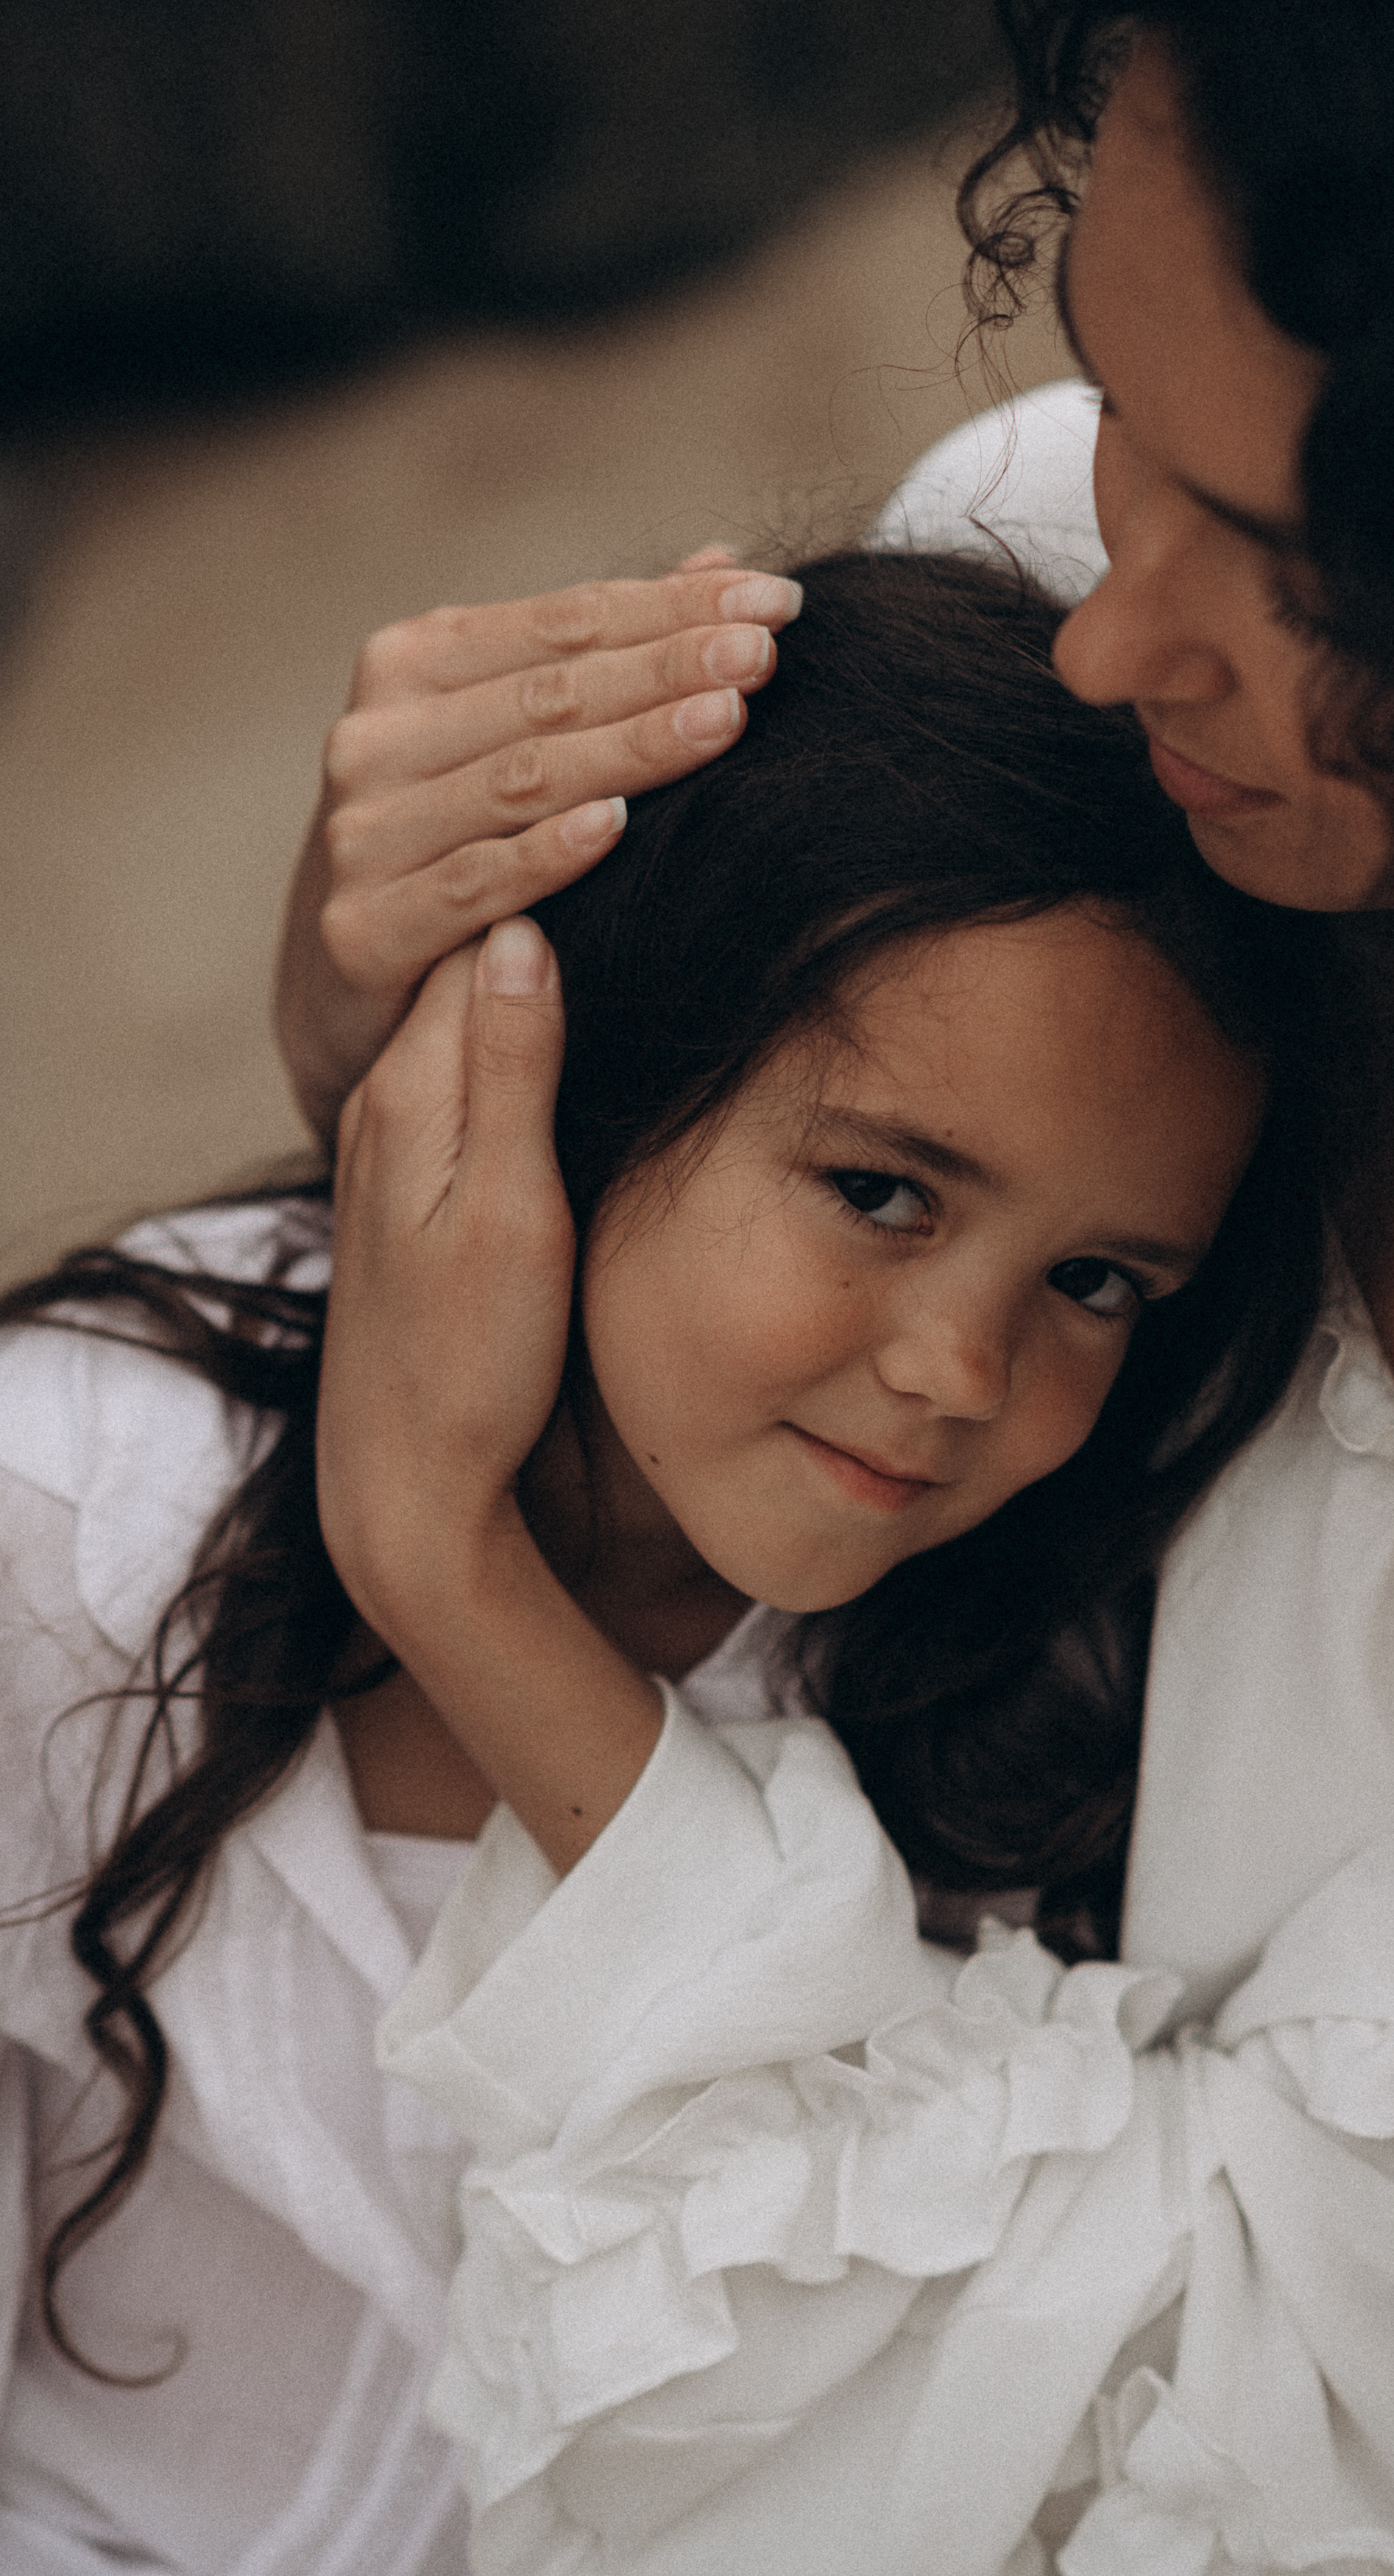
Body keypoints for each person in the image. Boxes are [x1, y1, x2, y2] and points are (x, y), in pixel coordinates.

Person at [267, 6, 1394, 2571]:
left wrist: (457, 1579)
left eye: (1303, 568)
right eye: (1116, 401)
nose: (1097, 628)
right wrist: (393, 1007)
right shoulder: (1068, 582)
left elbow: (1137, 2470)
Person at [0, 551, 1320, 2575]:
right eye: (881, 1190)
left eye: (1096, 1282)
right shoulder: (69, 1517)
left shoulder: (1038, 1699)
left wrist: (448, 1562)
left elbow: (891, 2377)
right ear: (585, 1069)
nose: (963, 1372)